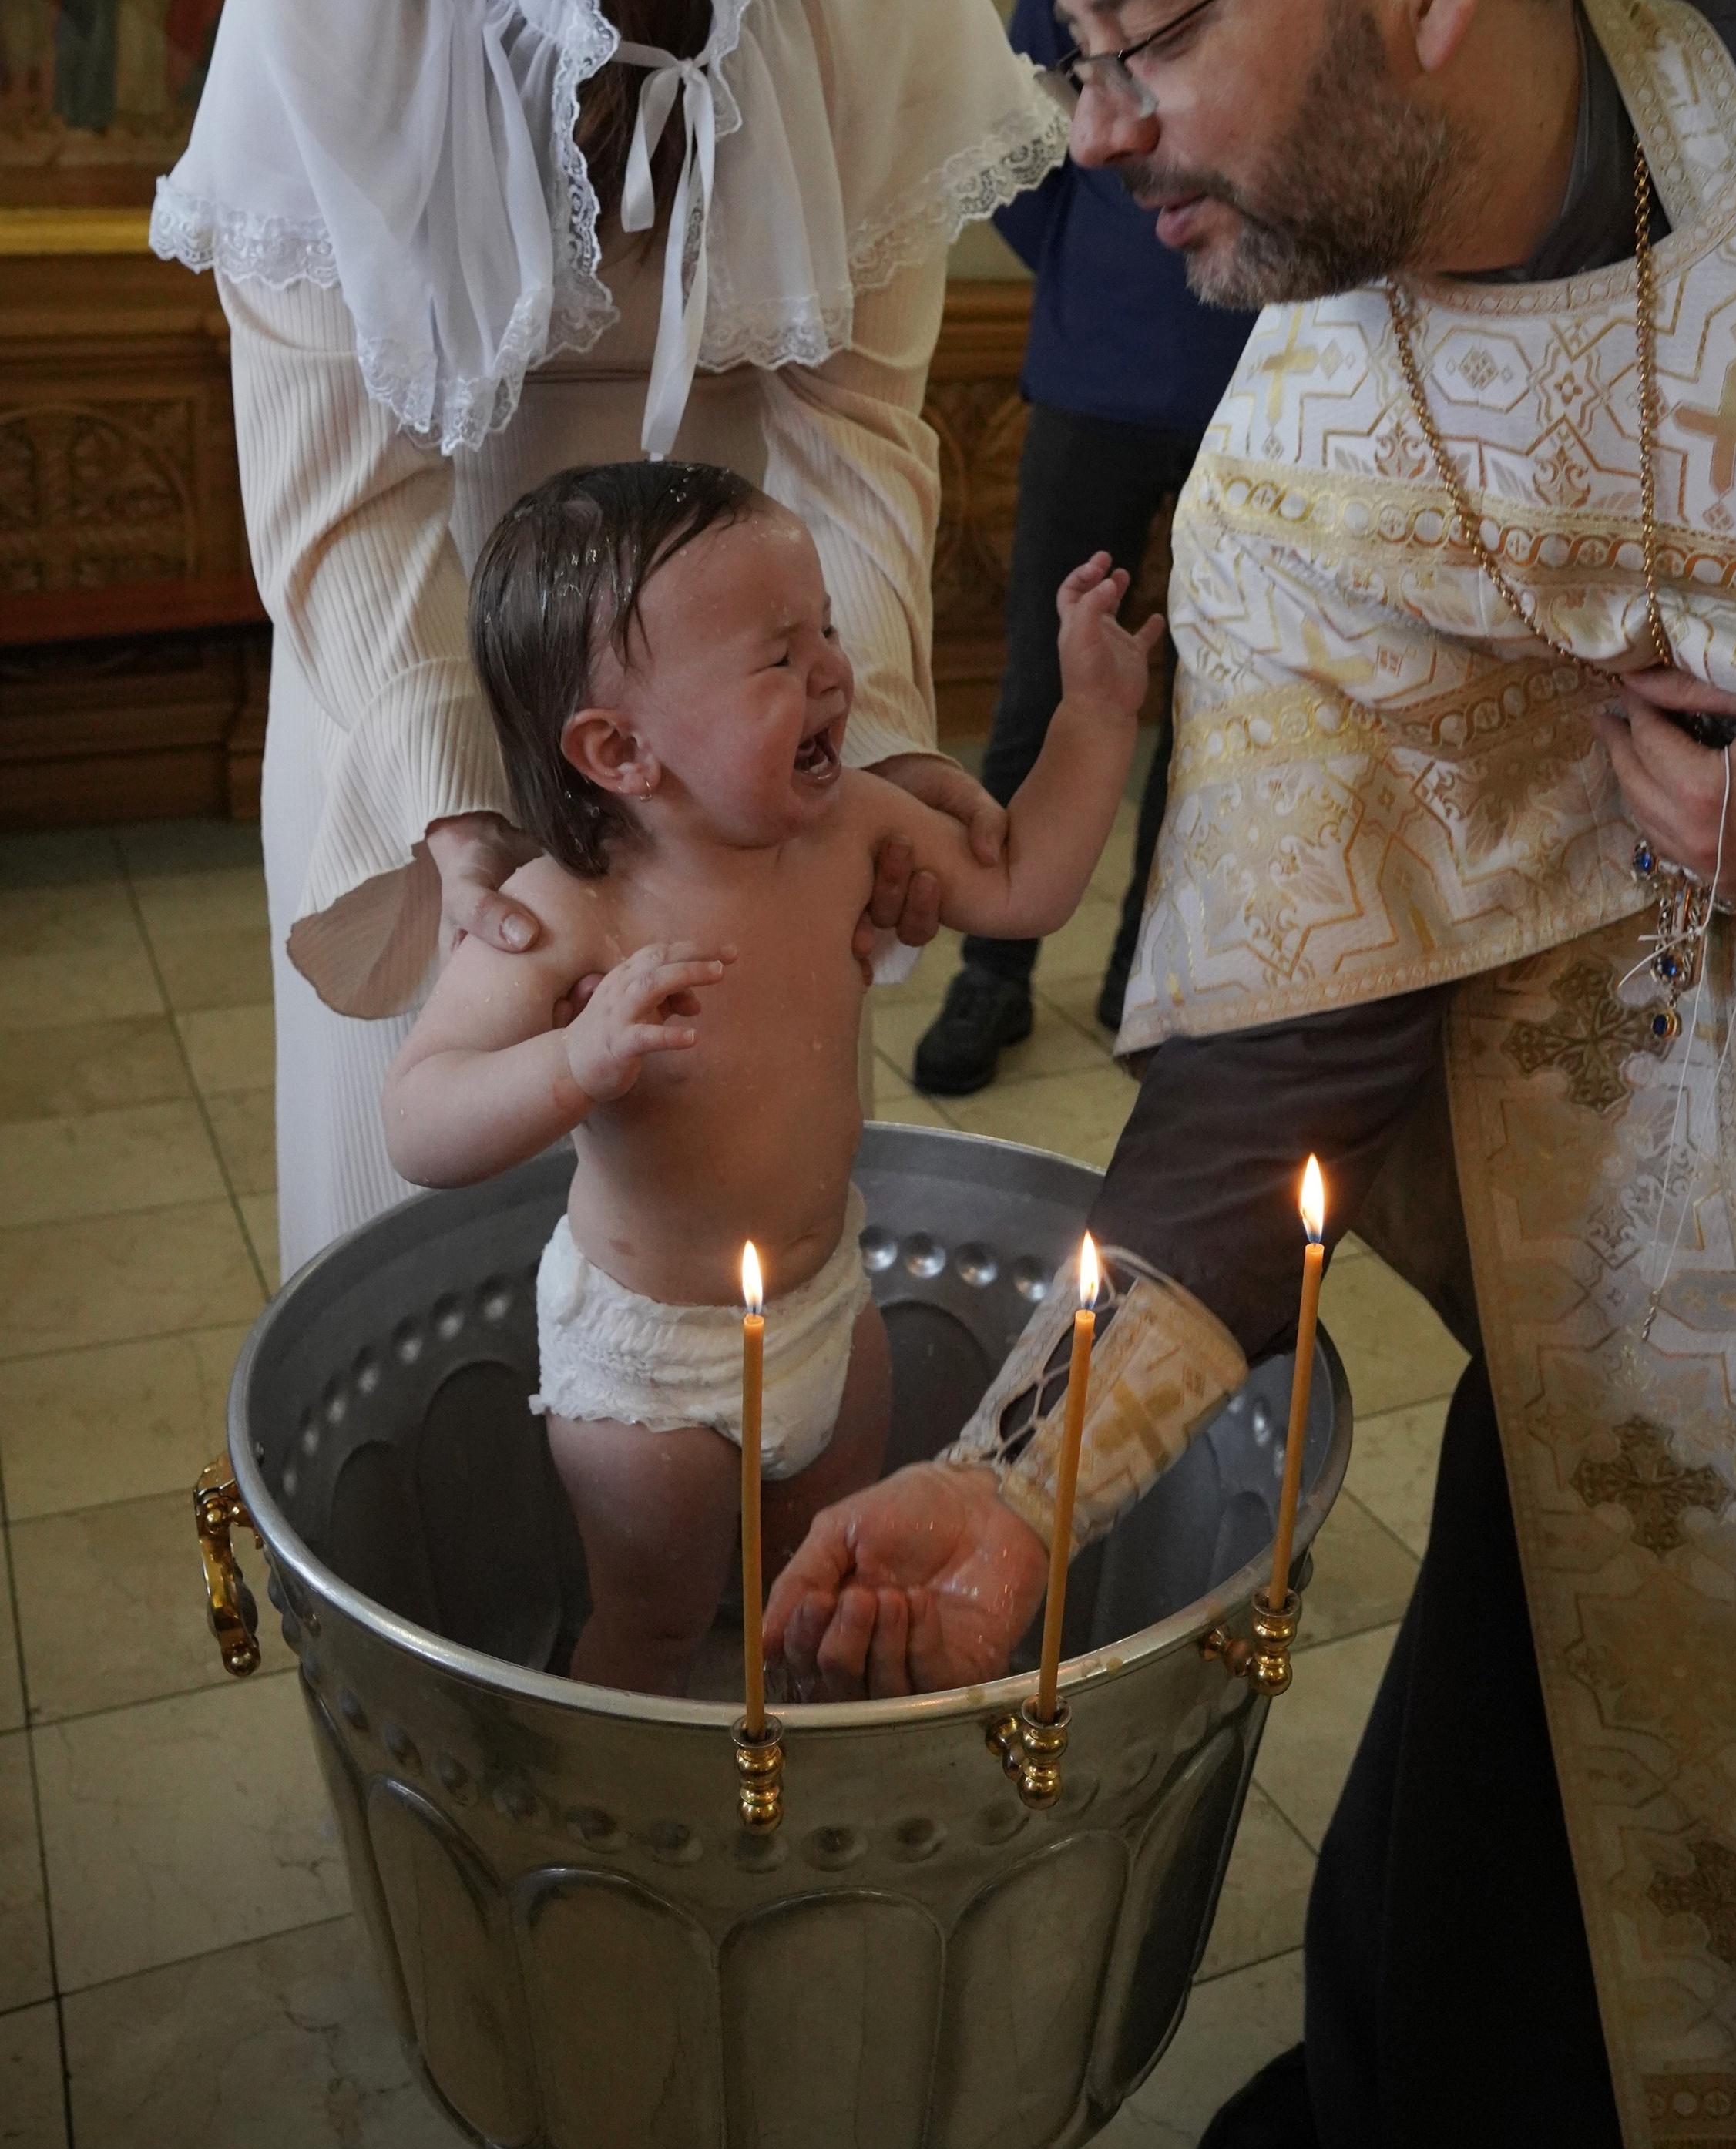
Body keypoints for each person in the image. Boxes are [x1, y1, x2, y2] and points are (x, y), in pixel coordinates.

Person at [767, 0, 1736, 2149]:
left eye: (1143, 39)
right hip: (1631, 1404)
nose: (1087, 136)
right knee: (1457, 2017)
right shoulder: (1313, 444)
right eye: (1071, 58)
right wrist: (1019, 1479)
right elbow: (1279, 1061)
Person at [152, 0, 1063, 1278]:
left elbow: (853, 431)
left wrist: (858, 734)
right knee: (446, 1217)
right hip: (430, 680)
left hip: (734, 721)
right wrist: (465, 814)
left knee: (724, 1215)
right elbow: (343, 480)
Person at [382, 458, 1156, 1692]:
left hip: (825, 1310)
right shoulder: (565, 913)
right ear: (620, 748)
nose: (835, 675)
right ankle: (634, 1818)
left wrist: (1094, 721)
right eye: (780, 657)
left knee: (816, 1582)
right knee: (656, 1620)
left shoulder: (852, 823)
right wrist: (571, 1062)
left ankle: (788, 1771)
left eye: (828, 633)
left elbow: (1027, 888)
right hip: (646, 1365)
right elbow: (418, 1121)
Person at [912, 0, 1252, 1093]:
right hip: (1091, 368)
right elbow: (1021, 127)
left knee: (1210, 702)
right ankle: (993, 969)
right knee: (1040, 686)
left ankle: (1141, 969)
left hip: (1258, 381)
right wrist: (1073, 251)